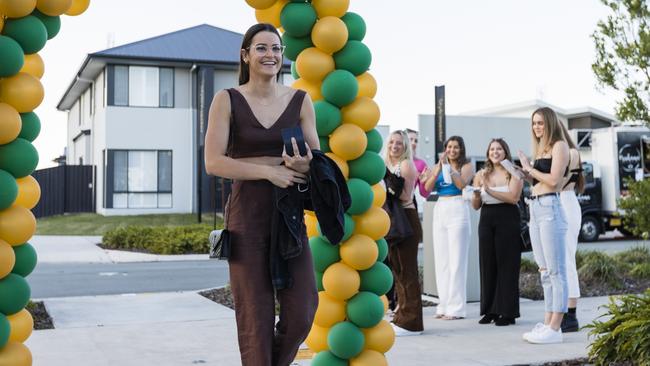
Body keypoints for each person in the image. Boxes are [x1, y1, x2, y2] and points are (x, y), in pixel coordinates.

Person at [204, 23, 319, 365]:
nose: (271, 55)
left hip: (289, 216)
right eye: (262, 48)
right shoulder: (226, 100)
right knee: (255, 318)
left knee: (302, 311)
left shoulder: (300, 100)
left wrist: (301, 165)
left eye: (276, 49)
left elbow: (316, 161)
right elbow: (214, 162)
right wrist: (269, 169)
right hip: (246, 217)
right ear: (246, 55)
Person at [517, 107, 570, 344]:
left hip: (550, 208)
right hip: (535, 207)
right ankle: (548, 323)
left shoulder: (559, 145)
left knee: (556, 270)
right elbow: (539, 179)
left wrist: (530, 169)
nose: (537, 127)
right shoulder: (542, 149)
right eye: (534, 123)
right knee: (544, 271)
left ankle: (556, 327)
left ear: (549, 123)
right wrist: (524, 172)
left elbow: (554, 180)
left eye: (540, 123)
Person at [471, 138, 523, 326]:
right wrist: (477, 194)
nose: (495, 152)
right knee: (488, 263)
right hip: (486, 218)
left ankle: (507, 312)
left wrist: (490, 191)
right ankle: (490, 310)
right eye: (492, 149)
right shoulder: (481, 174)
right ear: (487, 153)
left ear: (505, 152)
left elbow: (513, 197)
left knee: (507, 265)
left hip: (507, 217)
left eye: (499, 149)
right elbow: (476, 206)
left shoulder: (513, 172)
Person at [424, 136, 474, 320]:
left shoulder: (466, 166)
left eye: (456, 147)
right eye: (449, 147)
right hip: (440, 208)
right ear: (445, 148)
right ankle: (444, 303)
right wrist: (438, 168)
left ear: (461, 150)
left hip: (458, 207)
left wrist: (449, 169)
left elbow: (462, 185)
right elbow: (427, 187)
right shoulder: (439, 165)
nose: (452, 150)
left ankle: (457, 308)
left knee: (457, 261)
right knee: (442, 260)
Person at [383, 130, 424, 336]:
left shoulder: (405, 165)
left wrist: (388, 185)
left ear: (405, 146)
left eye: (399, 143)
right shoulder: (387, 165)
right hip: (394, 221)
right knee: (398, 271)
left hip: (406, 218)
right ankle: (401, 316)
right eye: (392, 142)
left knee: (407, 271)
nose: (395, 146)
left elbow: (405, 195)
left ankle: (412, 322)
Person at [558, 122, 585, 333]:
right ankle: (561, 311)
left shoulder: (572, 152)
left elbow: (556, 181)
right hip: (554, 203)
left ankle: (571, 314)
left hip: (565, 203)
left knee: (567, 259)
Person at [406, 128, 430, 198]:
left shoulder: (421, 164)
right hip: (390, 203)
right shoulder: (394, 159)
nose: (413, 143)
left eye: (416, 141)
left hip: (409, 204)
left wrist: (423, 182)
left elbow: (424, 194)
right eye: (410, 139)